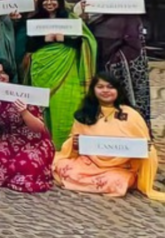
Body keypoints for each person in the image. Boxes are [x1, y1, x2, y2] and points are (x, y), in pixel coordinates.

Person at [52, 72, 164, 201]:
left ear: (118, 90)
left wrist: (144, 148)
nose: (105, 90)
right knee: (63, 167)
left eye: (110, 87)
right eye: (100, 87)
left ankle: (93, 183)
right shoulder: (85, 113)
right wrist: (75, 143)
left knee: (116, 182)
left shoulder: (131, 115)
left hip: (120, 167)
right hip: (89, 163)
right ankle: (92, 183)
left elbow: (146, 147)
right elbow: (74, 144)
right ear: (93, 90)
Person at [26, 0, 97, 149]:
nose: (49, 3)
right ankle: (44, 147)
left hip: (67, 67)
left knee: (67, 104)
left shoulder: (71, 19)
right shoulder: (35, 20)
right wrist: (45, 39)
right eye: (45, 0)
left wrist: (64, 38)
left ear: (59, 0)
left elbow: (84, 41)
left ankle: (64, 147)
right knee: (43, 108)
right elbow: (29, 47)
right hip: (42, 69)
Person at [80, 0, 151, 124]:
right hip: (93, 60)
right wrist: (82, 18)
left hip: (117, 65)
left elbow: (135, 40)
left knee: (119, 101)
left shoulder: (127, 8)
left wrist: (116, 59)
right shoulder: (85, 8)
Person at [0, 61, 54, 193]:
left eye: (2, 73)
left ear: (9, 76)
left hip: (33, 141)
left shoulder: (23, 94)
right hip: (5, 140)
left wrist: (24, 112)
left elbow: (39, 128)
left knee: (26, 168)